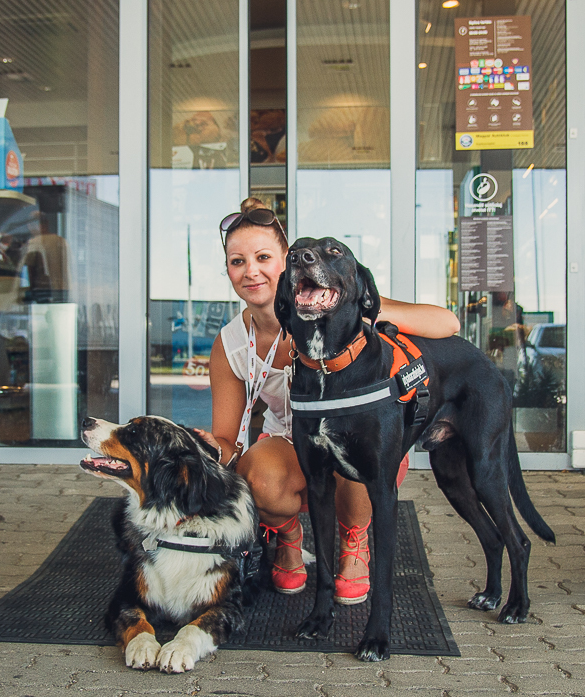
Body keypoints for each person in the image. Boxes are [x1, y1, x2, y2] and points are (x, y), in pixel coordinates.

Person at [195, 198, 461, 604]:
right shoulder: (231, 343)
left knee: (353, 452)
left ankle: (354, 541)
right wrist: (203, 448)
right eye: (237, 261)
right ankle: (287, 535)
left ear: (288, 261)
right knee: (257, 476)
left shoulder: (340, 308)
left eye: (264, 257)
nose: (251, 271)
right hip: (289, 444)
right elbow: (227, 440)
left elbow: (449, 323)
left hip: (353, 436)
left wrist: (365, 304)